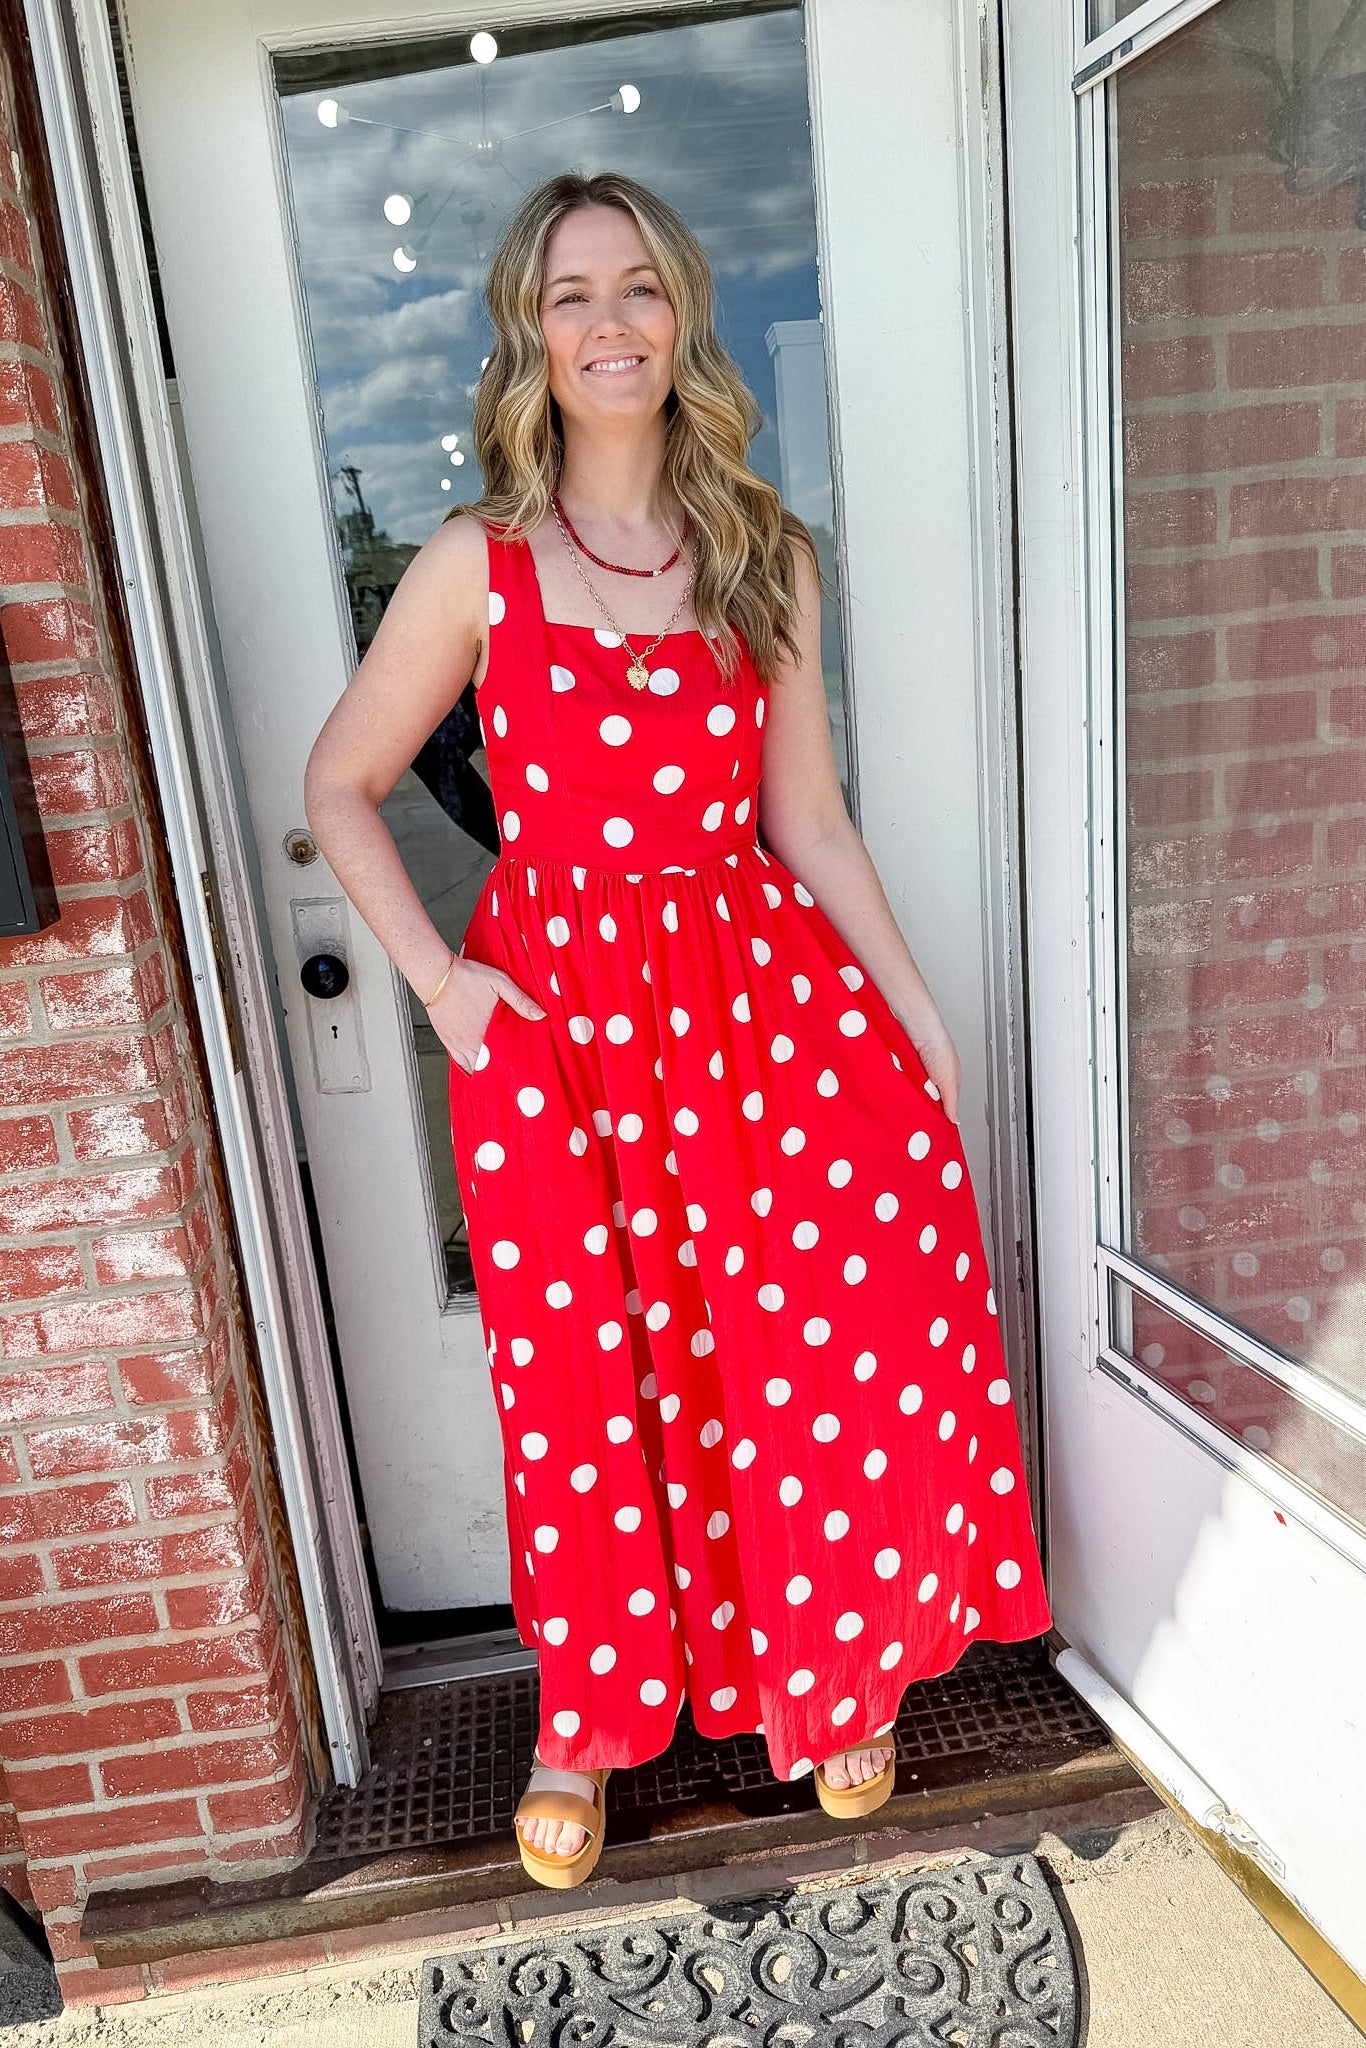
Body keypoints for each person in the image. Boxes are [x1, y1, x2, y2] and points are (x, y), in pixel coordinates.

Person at [303, 169, 1052, 1892]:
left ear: (681, 314)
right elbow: (340, 785)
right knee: (581, 1381)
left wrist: (913, 1012)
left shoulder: (761, 553)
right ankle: (586, 1721)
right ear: (530, 335)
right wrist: (442, 986)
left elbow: (812, 820)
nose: (608, 322)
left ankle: (836, 1661)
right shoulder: (479, 563)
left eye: (636, 286)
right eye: (570, 296)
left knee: (800, 1340)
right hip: (556, 1033)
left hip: (755, 1009)